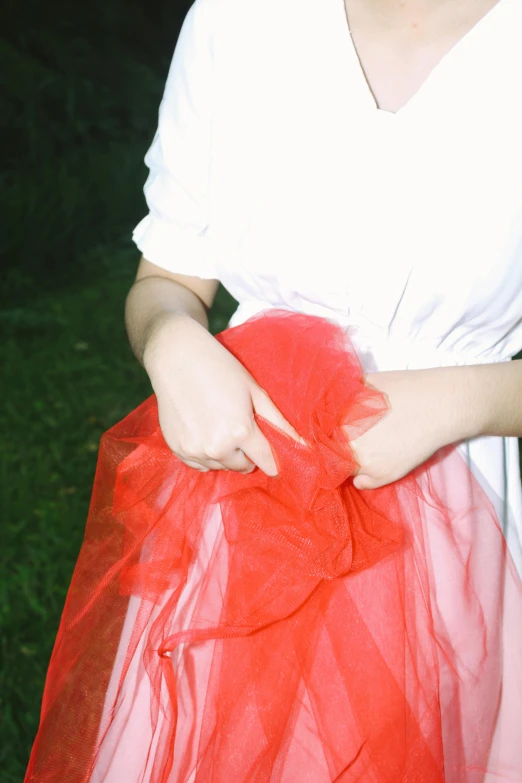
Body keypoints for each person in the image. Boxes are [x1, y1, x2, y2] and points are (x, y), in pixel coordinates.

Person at [25, 0, 522, 781]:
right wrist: (169, 340)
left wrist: (464, 398)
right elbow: (167, 280)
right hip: (237, 531)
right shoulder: (239, 18)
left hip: (457, 547)